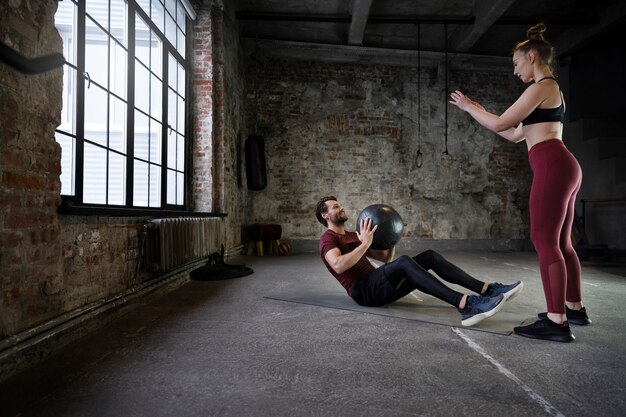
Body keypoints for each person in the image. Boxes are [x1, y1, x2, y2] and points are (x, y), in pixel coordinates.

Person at [449, 23, 590, 342]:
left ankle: (557, 322)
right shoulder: (547, 92)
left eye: (516, 63)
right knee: (562, 244)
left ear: (531, 56)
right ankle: (574, 309)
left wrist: (471, 107)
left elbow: (502, 122)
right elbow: (512, 133)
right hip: (563, 165)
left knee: (544, 240)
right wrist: (479, 112)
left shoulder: (542, 87)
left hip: (554, 165)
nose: (515, 70)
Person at [315, 196, 523, 327]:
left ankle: (487, 290)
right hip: (365, 291)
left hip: (378, 284)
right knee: (405, 263)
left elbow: (386, 258)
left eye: (340, 204)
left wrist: (391, 238)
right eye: (335, 207)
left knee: (429, 256)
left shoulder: (354, 234)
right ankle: (465, 304)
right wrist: (364, 244)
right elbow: (338, 265)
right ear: (325, 215)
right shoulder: (328, 239)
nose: (340, 208)